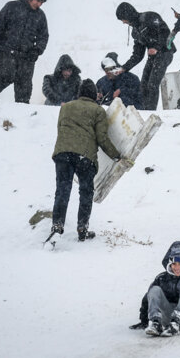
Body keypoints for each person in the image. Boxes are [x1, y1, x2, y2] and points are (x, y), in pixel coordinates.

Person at [50, 79, 121, 241]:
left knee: (62, 189)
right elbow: (102, 138)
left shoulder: (66, 107)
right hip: (84, 156)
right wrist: (116, 156)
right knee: (86, 191)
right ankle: (82, 228)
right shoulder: (97, 111)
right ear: (93, 95)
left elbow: (60, 128)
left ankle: (57, 225)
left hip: (62, 153)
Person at [0, 0, 49, 103]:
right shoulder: (12, 7)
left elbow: (43, 36)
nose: (39, 4)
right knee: (6, 76)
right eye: (38, 1)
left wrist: (37, 50)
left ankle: (22, 115)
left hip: (27, 57)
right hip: (7, 52)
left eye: (42, 2)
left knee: (24, 90)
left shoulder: (40, 16)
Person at [114, 2, 175, 110]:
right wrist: (124, 67)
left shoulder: (149, 17)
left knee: (152, 84)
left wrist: (156, 47)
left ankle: (151, 112)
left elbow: (165, 32)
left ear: (127, 15)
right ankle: (145, 110)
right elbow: (138, 54)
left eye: (123, 19)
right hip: (153, 57)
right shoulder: (136, 31)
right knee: (143, 85)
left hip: (165, 52)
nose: (123, 22)